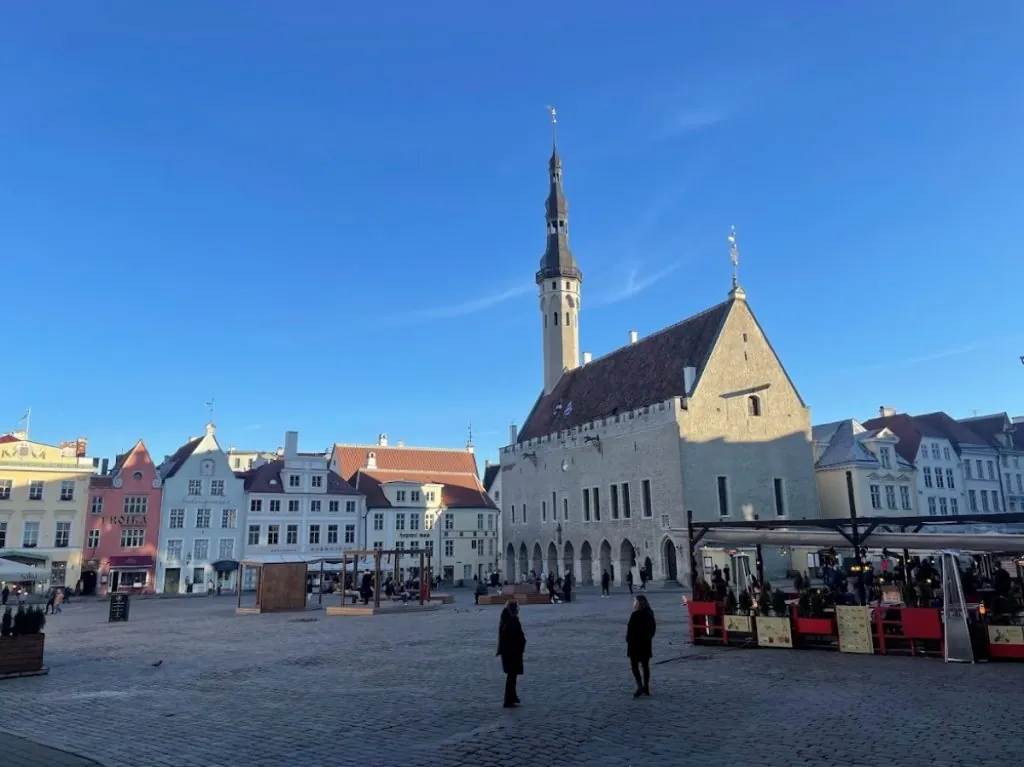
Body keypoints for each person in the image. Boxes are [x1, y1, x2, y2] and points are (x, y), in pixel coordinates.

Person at [496, 599, 526, 708]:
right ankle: (508, 699)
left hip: (510, 652)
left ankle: (512, 696)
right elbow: (515, 636)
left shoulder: (506, 619)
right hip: (512, 652)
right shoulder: (512, 621)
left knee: (512, 676)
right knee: (511, 677)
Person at [626, 594, 656, 698]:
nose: (634, 603)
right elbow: (653, 629)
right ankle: (646, 687)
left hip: (635, 644)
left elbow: (630, 630)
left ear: (638, 602)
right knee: (645, 666)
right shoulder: (650, 613)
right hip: (646, 644)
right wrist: (648, 638)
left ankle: (640, 686)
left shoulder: (635, 614)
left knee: (634, 666)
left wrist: (628, 641)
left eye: (635, 601)